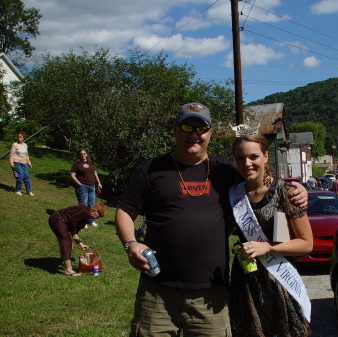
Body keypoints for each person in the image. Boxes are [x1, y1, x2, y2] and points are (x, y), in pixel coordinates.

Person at [115, 102, 308, 337]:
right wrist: (131, 243)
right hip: (158, 291)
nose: (194, 135)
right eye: (187, 127)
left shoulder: (225, 170)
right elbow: (125, 211)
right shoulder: (152, 169)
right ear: (175, 128)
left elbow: (257, 174)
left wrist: (297, 190)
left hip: (211, 293)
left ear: (210, 133)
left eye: (201, 129)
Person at [229, 134, 313, 337]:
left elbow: (306, 244)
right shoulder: (232, 194)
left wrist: (269, 248)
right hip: (245, 282)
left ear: (266, 156)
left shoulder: (287, 193)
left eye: (253, 156)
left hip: (278, 280)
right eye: (240, 158)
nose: (247, 163)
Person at [48, 202, 105, 276]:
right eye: (99, 216)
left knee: (67, 242)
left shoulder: (86, 215)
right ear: (96, 211)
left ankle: (68, 267)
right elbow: (72, 220)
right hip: (58, 219)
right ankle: (68, 269)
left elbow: (75, 230)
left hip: (59, 220)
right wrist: (74, 234)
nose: (97, 218)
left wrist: (81, 244)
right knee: (66, 241)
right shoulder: (85, 212)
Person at [70, 149, 103, 227]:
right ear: (79, 156)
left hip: (92, 186)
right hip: (82, 187)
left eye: (84, 153)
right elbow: (72, 175)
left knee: (92, 205)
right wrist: (79, 184)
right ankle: (82, 222)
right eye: (81, 154)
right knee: (83, 205)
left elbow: (95, 173)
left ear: (87, 154)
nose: (83, 155)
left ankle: (90, 220)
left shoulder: (90, 164)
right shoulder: (77, 165)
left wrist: (98, 182)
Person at [10, 132, 34, 196]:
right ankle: (17, 190)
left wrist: (29, 163)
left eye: (20, 137)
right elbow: (11, 154)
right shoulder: (15, 144)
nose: (19, 138)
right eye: (18, 136)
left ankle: (29, 191)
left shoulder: (25, 145)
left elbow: (26, 155)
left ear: (23, 138)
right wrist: (11, 163)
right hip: (16, 163)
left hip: (24, 163)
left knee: (26, 177)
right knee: (19, 176)